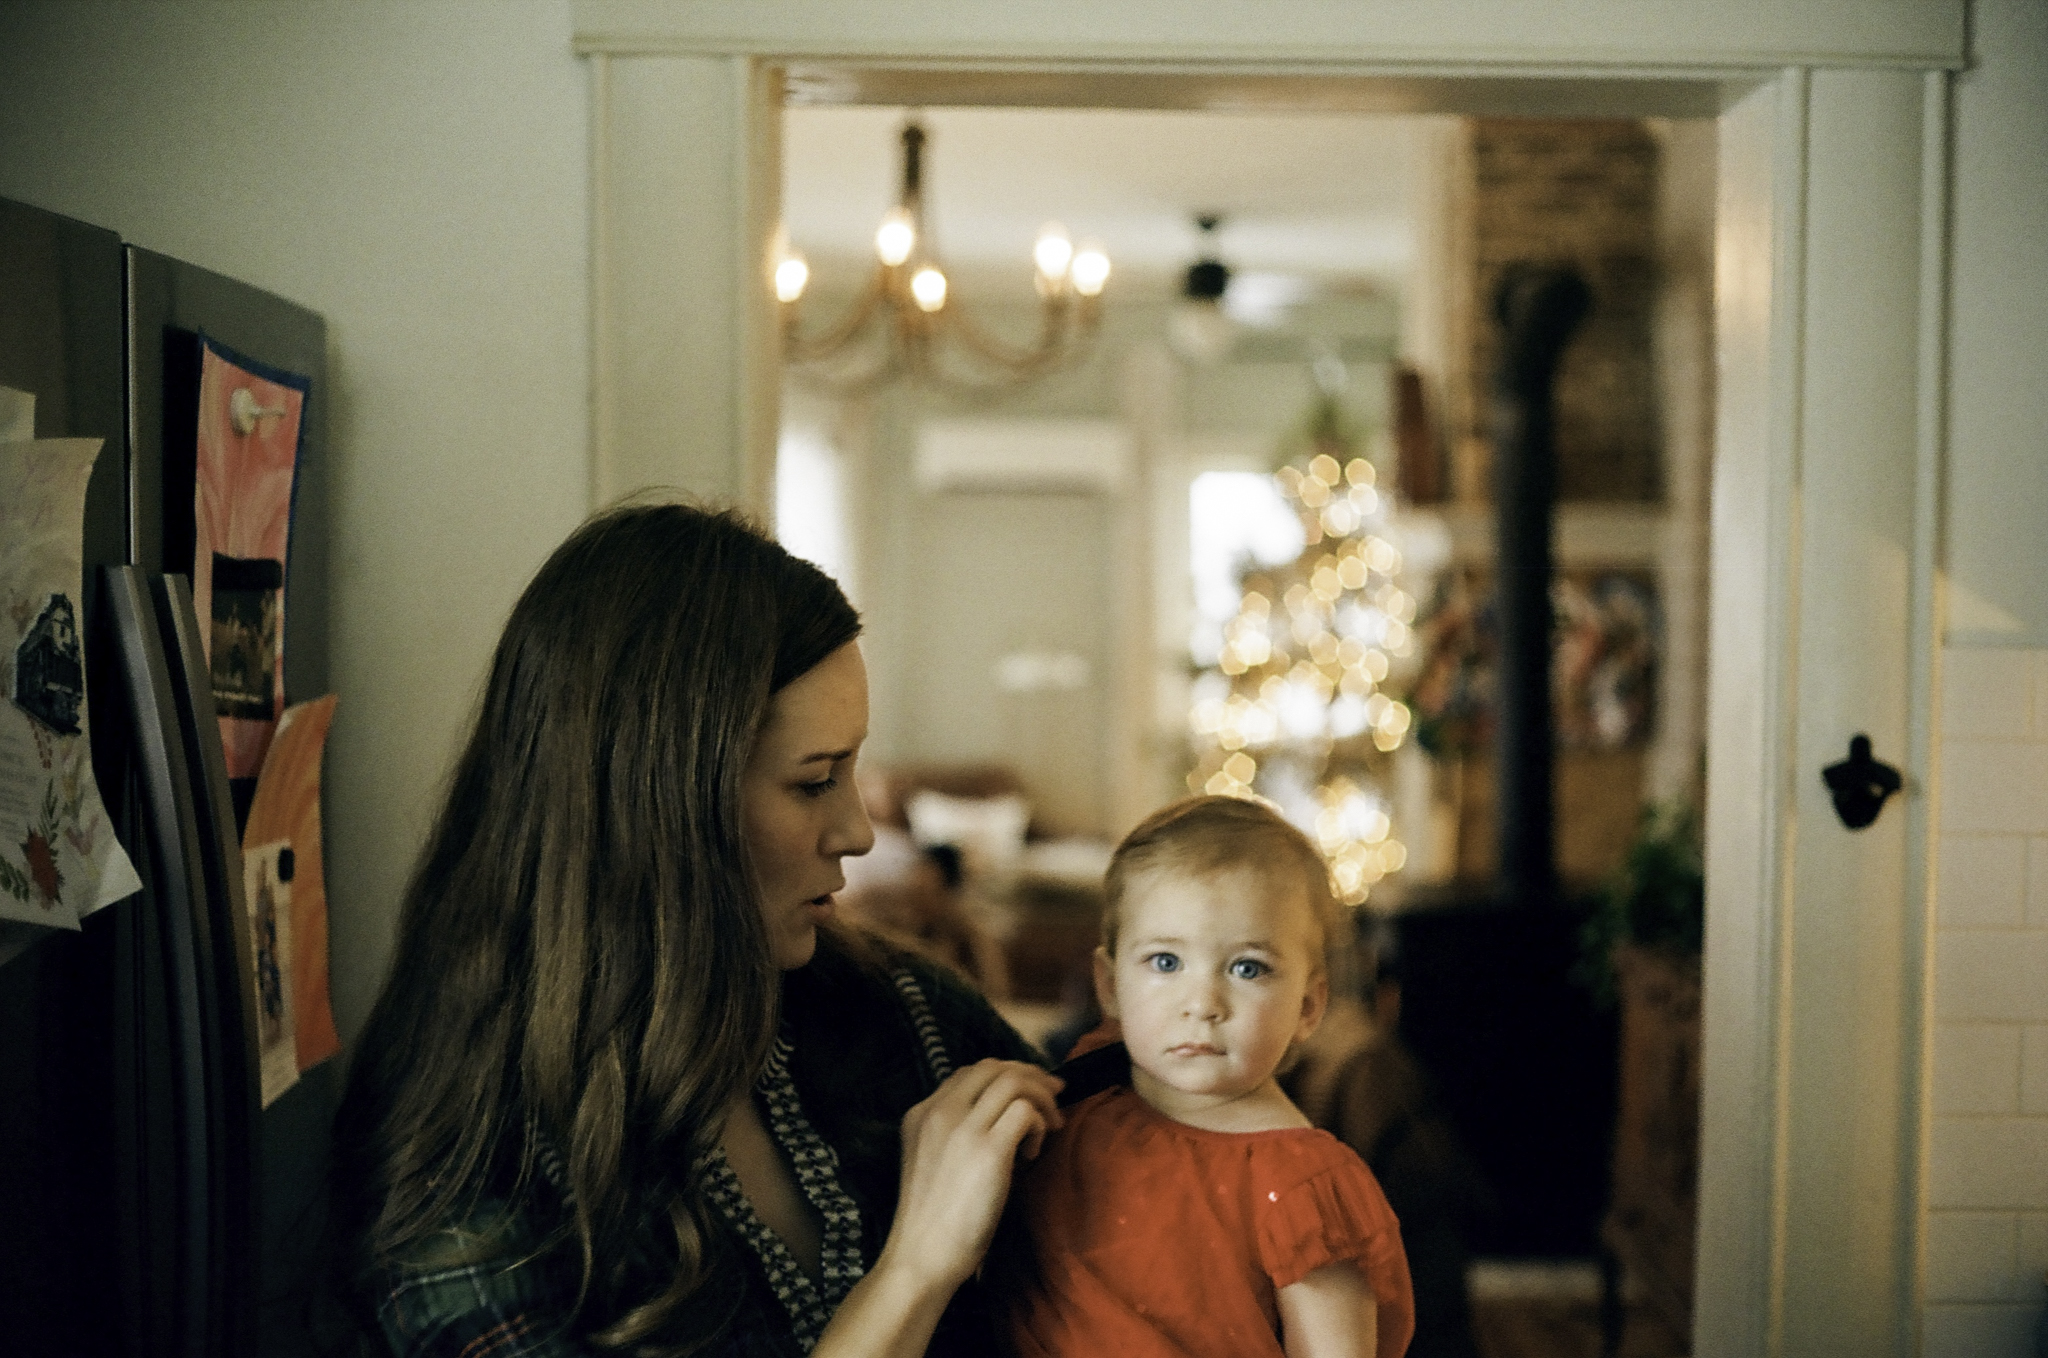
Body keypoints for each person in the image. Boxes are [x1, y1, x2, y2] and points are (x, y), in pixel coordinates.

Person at [331, 502, 1064, 1357]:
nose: (858, 831)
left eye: (852, 770)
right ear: (663, 810)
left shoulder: (899, 1009)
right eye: (814, 781)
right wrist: (915, 1270)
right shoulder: (470, 1179)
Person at [1001, 795, 1416, 1358]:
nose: (1202, 1003)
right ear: (1110, 986)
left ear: (1308, 1007)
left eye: (1248, 968)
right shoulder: (1083, 1089)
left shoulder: (1304, 1186)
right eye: (1166, 962)